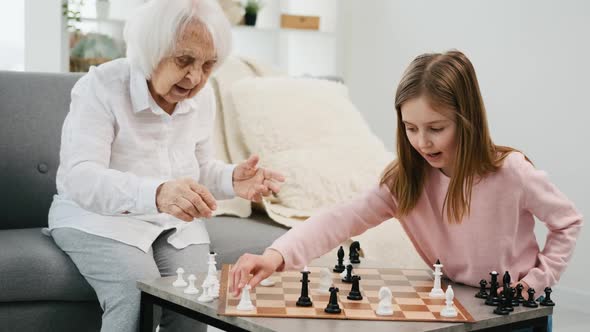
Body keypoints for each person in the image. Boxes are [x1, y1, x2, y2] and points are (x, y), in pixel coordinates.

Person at [230, 50, 583, 311]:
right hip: (453, 302)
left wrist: (537, 281)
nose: (422, 142)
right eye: (410, 128)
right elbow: (340, 218)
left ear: (467, 119)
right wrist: (275, 256)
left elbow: (567, 222)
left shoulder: (512, 172)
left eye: (436, 128)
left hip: (512, 309)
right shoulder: (407, 181)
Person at [47, 0, 284, 331]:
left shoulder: (201, 98)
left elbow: (198, 170)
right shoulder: (101, 86)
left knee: (196, 300)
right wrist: (156, 193)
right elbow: (81, 178)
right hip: (98, 218)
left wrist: (232, 179)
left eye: (208, 65)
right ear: (150, 49)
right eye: (185, 60)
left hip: (169, 222)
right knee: (136, 293)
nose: (195, 77)